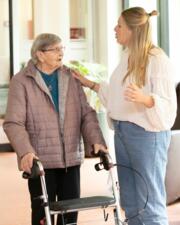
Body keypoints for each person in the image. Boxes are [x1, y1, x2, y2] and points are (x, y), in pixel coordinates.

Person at [72, 7, 177, 225]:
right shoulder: (128, 56)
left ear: (132, 30)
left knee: (149, 202)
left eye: (119, 25)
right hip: (123, 133)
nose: (115, 28)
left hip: (147, 136)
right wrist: (90, 83)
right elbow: (118, 96)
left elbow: (168, 108)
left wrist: (147, 99)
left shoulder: (157, 59)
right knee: (130, 200)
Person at [3, 33, 107, 225]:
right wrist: (25, 152)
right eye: (55, 49)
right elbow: (13, 122)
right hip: (41, 162)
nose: (61, 53)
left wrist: (96, 141)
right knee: (43, 216)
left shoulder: (71, 77)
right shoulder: (22, 81)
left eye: (62, 48)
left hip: (71, 159)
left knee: (70, 216)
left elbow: (86, 113)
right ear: (40, 54)